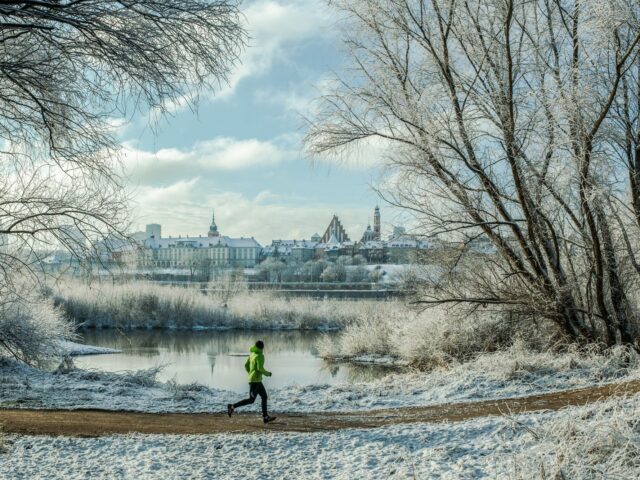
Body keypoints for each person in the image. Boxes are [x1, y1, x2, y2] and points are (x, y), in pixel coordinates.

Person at [227, 340, 276, 423]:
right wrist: (268, 374)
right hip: (256, 380)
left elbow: (246, 365)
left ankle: (265, 417)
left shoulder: (252, 354)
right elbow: (260, 368)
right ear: (262, 347)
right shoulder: (260, 356)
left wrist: (250, 373)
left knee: (261, 397)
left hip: (253, 379)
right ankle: (232, 406)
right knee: (253, 399)